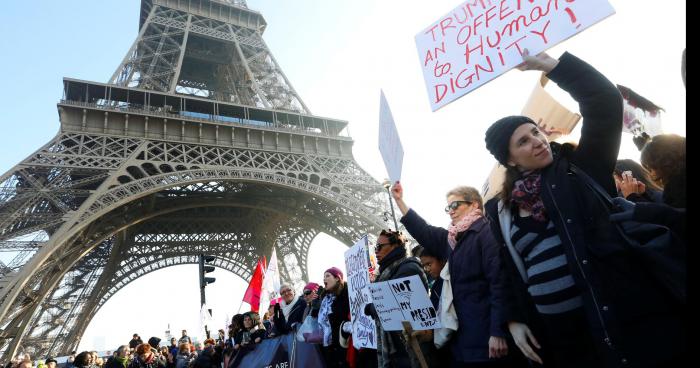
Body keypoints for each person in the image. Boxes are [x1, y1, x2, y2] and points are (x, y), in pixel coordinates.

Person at [483, 49, 685, 367]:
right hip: (566, 340)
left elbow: (603, 101)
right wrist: (513, 319)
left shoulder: (581, 167)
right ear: (508, 159)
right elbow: (509, 268)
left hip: (625, 322)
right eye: (522, 141)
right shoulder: (500, 210)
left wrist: (552, 66)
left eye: (535, 131)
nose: (536, 140)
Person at [392, 186, 519, 367]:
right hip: (463, 342)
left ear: (474, 204)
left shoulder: (485, 233)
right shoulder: (453, 241)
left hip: (486, 340)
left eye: (455, 205)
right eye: (448, 208)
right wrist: (399, 201)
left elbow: (499, 283)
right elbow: (424, 230)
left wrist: (498, 331)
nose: (450, 211)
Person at [364, 231, 438, 368]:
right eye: (375, 248)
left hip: (411, 350)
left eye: (379, 247)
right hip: (402, 348)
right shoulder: (390, 271)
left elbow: (393, 306)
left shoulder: (408, 269)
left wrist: (371, 307)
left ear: (395, 246)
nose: (376, 251)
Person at [640, 133, 686, 208]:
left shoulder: (676, 185)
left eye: (651, 167)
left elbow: (671, 215)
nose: (651, 173)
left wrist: (632, 197)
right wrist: (644, 194)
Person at [317, 267, 351, 368]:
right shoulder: (327, 299)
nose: (324, 279)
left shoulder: (349, 293)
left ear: (337, 278)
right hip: (332, 346)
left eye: (327, 276)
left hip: (347, 344)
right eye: (323, 277)